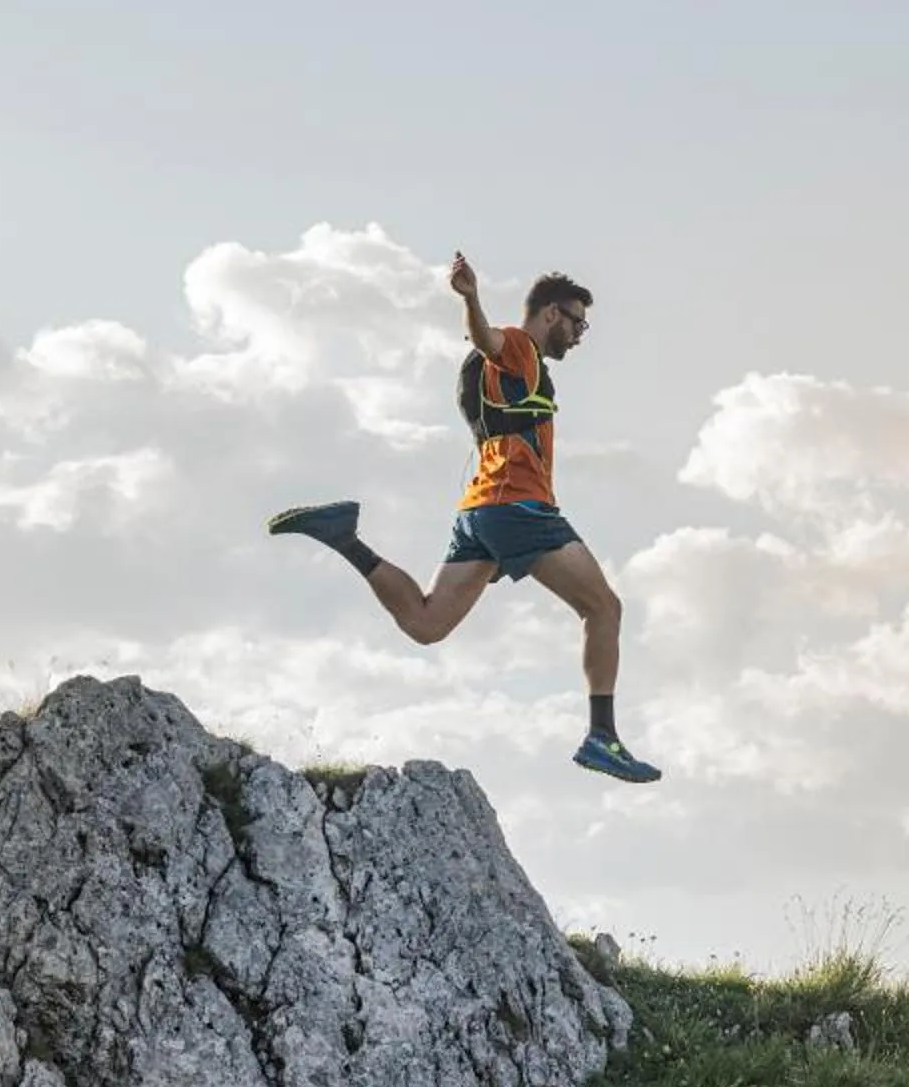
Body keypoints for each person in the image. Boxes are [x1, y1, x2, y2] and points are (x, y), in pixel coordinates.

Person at [267, 251, 660, 784]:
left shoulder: (506, 370)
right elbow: (487, 339)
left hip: (479, 510)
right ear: (549, 315)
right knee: (604, 608)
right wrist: (471, 298)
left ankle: (344, 537)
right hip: (518, 505)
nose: (580, 333)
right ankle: (602, 736)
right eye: (576, 321)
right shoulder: (519, 350)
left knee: (426, 624)